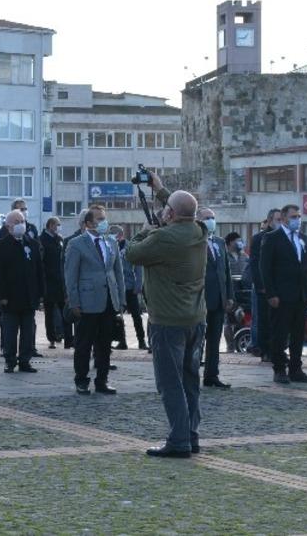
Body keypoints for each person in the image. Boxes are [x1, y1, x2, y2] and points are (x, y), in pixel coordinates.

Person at [126, 184, 207, 459]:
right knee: (190, 380)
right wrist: (160, 190)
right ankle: (191, 434)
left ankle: (179, 439)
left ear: (170, 215)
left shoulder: (164, 238)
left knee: (170, 383)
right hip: (195, 319)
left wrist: (146, 230)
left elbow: (132, 254)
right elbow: (185, 210)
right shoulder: (200, 231)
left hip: (167, 321)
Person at [64, 205, 126, 395]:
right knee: (84, 343)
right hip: (87, 300)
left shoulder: (111, 242)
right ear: (88, 223)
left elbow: (118, 272)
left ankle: (102, 380)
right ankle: (81, 379)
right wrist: (74, 302)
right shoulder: (77, 243)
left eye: (104, 218)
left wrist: (121, 299)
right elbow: (70, 275)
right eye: (99, 219)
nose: (103, 222)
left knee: (105, 343)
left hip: (108, 299)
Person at [260, 204, 307, 385]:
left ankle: (296, 369)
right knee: (280, 333)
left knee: (299, 335)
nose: (297, 220)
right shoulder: (272, 238)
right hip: (281, 296)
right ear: (283, 218)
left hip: (300, 295)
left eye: (299, 216)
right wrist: (271, 293)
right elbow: (265, 268)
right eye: (293, 216)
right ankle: (279, 369)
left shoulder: (304, 239)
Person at [0, 210, 45, 373]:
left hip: (29, 296)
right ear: (8, 226)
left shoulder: (33, 244)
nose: (20, 224)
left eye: (22, 221)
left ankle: (25, 360)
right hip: (10, 297)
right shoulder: (1, 246)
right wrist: (1, 296)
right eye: (16, 222)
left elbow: (39, 270)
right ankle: (10, 360)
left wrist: (41, 294)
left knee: (28, 332)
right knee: (9, 331)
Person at [197, 207, 233, 389]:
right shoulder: (194, 241)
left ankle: (212, 375)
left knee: (214, 340)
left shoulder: (219, 242)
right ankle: (191, 373)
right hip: (200, 300)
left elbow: (226, 271)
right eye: (206, 218)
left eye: (213, 217)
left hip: (219, 299)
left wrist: (229, 296)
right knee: (197, 341)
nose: (211, 220)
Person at [247, 209, 282, 358]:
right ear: (269, 220)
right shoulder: (260, 238)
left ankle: (277, 349)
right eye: (278, 219)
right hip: (263, 287)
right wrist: (261, 285)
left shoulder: (283, 238)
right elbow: (255, 265)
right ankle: (265, 350)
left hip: (280, 285)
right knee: (263, 320)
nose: (280, 223)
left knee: (278, 321)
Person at [114, 228, 148, 350]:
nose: (114, 237)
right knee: (118, 316)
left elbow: (138, 267)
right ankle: (122, 341)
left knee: (136, 315)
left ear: (122, 235)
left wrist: (138, 285)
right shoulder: (111, 246)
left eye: (116, 234)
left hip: (129, 286)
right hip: (117, 288)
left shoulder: (130, 247)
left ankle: (141, 341)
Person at [40, 217, 70, 349]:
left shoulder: (59, 239)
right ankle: (51, 338)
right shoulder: (42, 240)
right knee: (50, 312)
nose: (59, 227)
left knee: (65, 309)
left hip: (61, 281)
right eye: (57, 225)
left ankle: (68, 338)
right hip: (48, 281)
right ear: (51, 225)